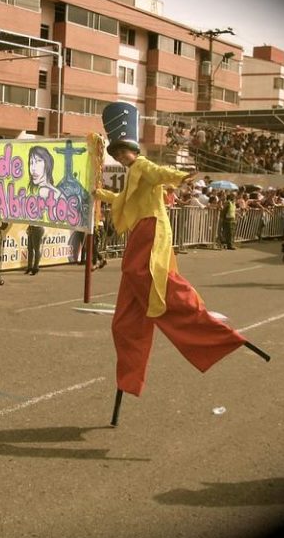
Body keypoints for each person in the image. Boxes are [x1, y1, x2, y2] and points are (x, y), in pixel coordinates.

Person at [91, 104, 269, 425]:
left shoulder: (143, 164)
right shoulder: (132, 174)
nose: (120, 158)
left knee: (145, 277)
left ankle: (193, 313)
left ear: (130, 149)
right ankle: (129, 376)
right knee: (124, 321)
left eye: (121, 152)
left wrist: (182, 174)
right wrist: (97, 193)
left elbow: (161, 174)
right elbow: (122, 202)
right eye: (115, 154)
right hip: (138, 234)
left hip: (151, 231)